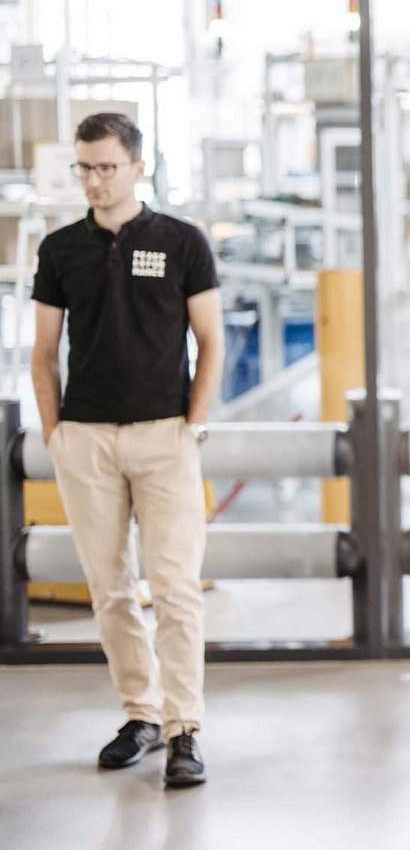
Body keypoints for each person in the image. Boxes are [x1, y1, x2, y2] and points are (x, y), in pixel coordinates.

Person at [31, 112, 224, 787]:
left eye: (106, 166)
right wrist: (57, 435)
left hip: (164, 436)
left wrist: (192, 426)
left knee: (174, 587)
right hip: (86, 440)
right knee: (109, 590)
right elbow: (45, 352)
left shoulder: (181, 242)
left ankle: (183, 728)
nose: (93, 180)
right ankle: (140, 713)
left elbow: (212, 342)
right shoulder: (60, 250)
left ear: (138, 166)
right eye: (84, 167)